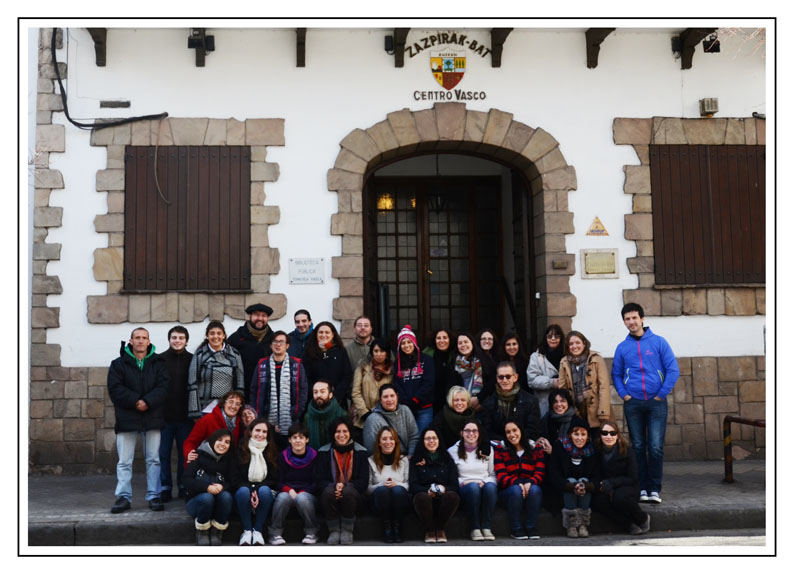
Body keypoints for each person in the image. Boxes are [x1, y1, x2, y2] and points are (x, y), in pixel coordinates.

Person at [612, 302, 679, 504]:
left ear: (642, 319)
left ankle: (654, 488)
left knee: (656, 447)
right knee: (639, 447)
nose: (631, 322)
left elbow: (673, 370)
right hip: (633, 403)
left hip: (656, 403)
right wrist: (624, 394)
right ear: (624, 322)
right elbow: (616, 373)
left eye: (634, 318)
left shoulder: (659, 343)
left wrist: (661, 394)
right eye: (627, 319)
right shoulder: (622, 347)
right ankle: (641, 487)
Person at [107, 327, 170, 514]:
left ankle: (154, 495)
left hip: (152, 416)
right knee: (124, 461)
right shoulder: (118, 364)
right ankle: (123, 497)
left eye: (144, 338)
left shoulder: (159, 363)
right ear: (131, 341)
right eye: (137, 338)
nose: (141, 341)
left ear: (149, 341)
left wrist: (147, 402)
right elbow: (115, 389)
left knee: (153, 460)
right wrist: (136, 402)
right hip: (128, 417)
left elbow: (163, 387)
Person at [249, 330, 308, 449]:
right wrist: (259, 415)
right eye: (275, 342)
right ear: (270, 345)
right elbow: (254, 390)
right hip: (266, 418)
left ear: (287, 345)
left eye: (281, 342)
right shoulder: (262, 365)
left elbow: (303, 390)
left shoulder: (296, 364)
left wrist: (296, 412)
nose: (278, 344)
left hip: (292, 418)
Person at [314, 417, 369, 545]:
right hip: (330, 495)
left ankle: (347, 530)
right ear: (333, 434)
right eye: (338, 431)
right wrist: (335, 486)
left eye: (345, 431)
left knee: (348, 491)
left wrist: (344, 487)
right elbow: (319, 480)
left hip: (354, 498)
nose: (341, 435)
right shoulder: (323, 452)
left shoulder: (361, 452)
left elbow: (363, 482)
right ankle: (333, 530)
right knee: (328, 491)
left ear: (350, 432)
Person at [591, 420, 651, 535]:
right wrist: (602, 485)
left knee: (619, 498)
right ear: (600, 435)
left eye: (612, 433)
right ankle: (627, 524)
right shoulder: (596, 451)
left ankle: (642, 518)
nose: (609, 436)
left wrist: (612, 483)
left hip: (627, 485)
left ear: (617, 435)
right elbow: (595, 474)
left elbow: (633, 477)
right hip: (606, 486)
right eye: (605, 433)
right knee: (598, 501)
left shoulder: (628, 451)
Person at [183, 429, 238, 545]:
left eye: (227, 442)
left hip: (219, 504)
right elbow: (186, 480)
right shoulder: (198, 455)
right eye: (219, 440)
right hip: (197, 502)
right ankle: (202, 531)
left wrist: (222, 486)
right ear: (213, 440)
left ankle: (217, 530)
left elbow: (235, 482)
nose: (223, 444)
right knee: (207, 498)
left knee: (226, 496)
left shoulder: (229, 459)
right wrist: (207, 487)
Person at [157, 325, 194, 502]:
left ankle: (183, 485)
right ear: (169, 339)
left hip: (186, 417)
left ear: (186, 340)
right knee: (162, 454)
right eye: (174, 337)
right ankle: (165, 487)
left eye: (181, 337)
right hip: (164, 417)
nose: (177, 340)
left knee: (184, 454)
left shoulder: (193, 360)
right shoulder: (159, 360)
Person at [269, 422, 320, 545]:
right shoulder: (283, 456)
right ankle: (275, 534)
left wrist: (301, 492)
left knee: (302, 498)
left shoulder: (315, 456)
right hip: (288, 493)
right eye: (294, 438)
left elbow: (317, 483)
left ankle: (312, 532)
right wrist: (289, 490)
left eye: (301, 437)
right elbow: (278, 482)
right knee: (282, 497)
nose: (298, 441)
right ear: (289, 440)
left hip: (307, 495)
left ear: (307, 440)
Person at [494, 420, 546, 540]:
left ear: (521, 431)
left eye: (514, 430)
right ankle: (516, 528)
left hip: (530, 490)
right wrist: (517, 483)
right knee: (516, 490)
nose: (512, 435)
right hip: (509, 493)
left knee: (535, 490)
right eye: (508, 432)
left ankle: (531, 527)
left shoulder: (535, 448)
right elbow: (501, 476)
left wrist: (530, 482)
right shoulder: (501, 449)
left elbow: (540, 472)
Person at [448, 421, 498, 541]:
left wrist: (485, 482)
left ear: (479, 433)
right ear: (462, 433)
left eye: (474, 431)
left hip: (484, 483)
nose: (471, 433)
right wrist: (463, 482)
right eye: (467, 431)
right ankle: (475, 528)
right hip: (465, 486)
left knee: (491, 487)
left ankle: (486, 527)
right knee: (473, 487)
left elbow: (493, 474)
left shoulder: (488, 450)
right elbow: (451, 476)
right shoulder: (452, 451)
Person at [409, 428, 460, 543]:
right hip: (424, 500)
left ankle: (440, 528)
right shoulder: (416, 460)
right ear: (423, 441)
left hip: (443, 499)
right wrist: (427, 491)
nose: (431, 441)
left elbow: (455, 485)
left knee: (453, 496)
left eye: (434, 438)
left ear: (439, 440)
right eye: (427, 438)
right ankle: (430, 530)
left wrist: (443, 488)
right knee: (421, 497)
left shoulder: (447, 459)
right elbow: (412, 485)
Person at [233, 418, 279, 546]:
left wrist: (257, 489)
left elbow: (274, 478)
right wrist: (252, 489)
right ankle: (247, 531)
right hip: (243, 489)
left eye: (264, 432)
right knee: (243, 491)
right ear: (250, 432)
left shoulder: (271, 450)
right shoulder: (241, 449)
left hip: (265, 490)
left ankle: (257, 530)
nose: (260, 434)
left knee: (264, 491)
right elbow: (235, 477)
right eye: (257, 430)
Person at [547, 422, 597, 538]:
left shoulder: (591, 450)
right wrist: (570, 486)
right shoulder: (560, 446)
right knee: (570, 480)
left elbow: (596, 475)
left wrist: (586, 486)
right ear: (570, 435)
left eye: (583, 434)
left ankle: (583, 524)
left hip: (585, 493)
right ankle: (572, 525)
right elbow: (554, 474)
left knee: (584, 480)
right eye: (576, 434)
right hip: (563, 491)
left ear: (587, 436)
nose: (580, 438)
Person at [187, 321, 244, 420]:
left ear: (224, 336)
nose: (215, 336)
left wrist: (239, 406)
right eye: (212, 333)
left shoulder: (234, 354)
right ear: (207, 336)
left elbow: (240, 382)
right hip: (205, 408)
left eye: (219, 333)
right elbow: (192, 382)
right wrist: (194, 411)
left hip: (227, 407)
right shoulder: (200, 355)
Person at [558, 330, 612, 434]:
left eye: (577, 343)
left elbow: (604, 386)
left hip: (595, 410)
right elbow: (562, 388)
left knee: (598, 441)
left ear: (584, 343)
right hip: (576, 410)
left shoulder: (596, 359)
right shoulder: (564, 362)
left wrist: (603, 412)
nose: (574, 346)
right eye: (571, 344)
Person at [479, 362, 542, 444]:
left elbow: (533, 431)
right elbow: (487, 431)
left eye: (508, 376)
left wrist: (514, 440)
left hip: (524, 446)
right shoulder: (488, 403)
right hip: (499, 448)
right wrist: (506, 442)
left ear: (515, 377)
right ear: (497, 379)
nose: (504, 380)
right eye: (501, 377)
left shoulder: (530, 401)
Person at [367, 427, 411, 543]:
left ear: (396, 442)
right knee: (383, 490)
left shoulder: (404, 460)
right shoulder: (371, 461)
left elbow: (409, 484)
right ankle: (387, 528)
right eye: (384, 439)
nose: (388, 442)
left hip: (400, 500)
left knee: (397, 490)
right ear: (379, 443)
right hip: (379, 502)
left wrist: (397, 484)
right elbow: (367, 489)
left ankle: (397, 527)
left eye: (391, 439)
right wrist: (381, 485)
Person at [392, 325, 435, 434]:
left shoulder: (426, 359)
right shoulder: (397, 363)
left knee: (421, 438)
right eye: (403, 343)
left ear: (414, 343)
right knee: (408, 438)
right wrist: (406, 401)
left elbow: (429, 382)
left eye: (409, 342)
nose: (406, 345)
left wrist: (416, 399)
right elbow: (397, 384)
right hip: (405, 408)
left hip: (424, 408)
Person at [227, 303, 275, 400]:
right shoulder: (236, 338)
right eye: (256, 315)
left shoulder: (273, 339)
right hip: (241, 391)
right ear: (250, 316)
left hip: (266, 392)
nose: (260, 318)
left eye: (264, 316)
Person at [183, 391, 246, 463]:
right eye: (231, 402)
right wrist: (189, 453)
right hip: (206, 461)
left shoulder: (239, 423)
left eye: (237, 404)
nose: (233, 406)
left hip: (227, 463)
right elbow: (191, 442)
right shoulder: (208, 419)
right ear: (224, 403)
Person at [303, 321, 354, 409]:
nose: (324, 335)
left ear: (333, 334)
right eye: (321, 332)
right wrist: (316, 393)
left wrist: (336, 393)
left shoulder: (340, 351)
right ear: (316, 334)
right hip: (315, 400)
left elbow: (347, 375)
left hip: (338, 400)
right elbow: (304, 376)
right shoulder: (308, 352)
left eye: (327, 332)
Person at [362, 384, 419, 455]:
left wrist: (410, 456)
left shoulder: (405, 410)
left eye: (392, 396)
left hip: (407, 459)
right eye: (385, 397)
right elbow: (371, 448)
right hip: (384, 462)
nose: (389, 400)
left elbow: (414, 437)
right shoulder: (373, 420)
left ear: (397, 397)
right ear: (380, 400)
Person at [350, 338, 393, 429]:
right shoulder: (363, 367)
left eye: (382, 351)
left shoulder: (392, 370)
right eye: (376, 351)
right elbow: (355, 392)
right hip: (363, 417)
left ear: (387, 353)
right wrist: (365, 412)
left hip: (386, 416)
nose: (378, 354)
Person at [447, 332, 495, 412]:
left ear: (472, 343)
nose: (463, 345)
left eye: (466, 342)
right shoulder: (453, 364)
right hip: (461, 407)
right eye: (460, 343)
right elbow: (451, 387)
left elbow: (491, 383)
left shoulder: (485, 360)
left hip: (483, 405)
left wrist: (479, 399)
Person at [527, 324, 564, 417]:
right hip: (544, 403)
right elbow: (532, 380)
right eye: (550, 336)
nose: (553, 339)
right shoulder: (536, 356)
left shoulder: (567, 356)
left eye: (557, 336)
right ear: (545, 338)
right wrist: (552, 382)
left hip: (563, 403)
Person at [303, 380, 347, 450]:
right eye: (315, 392)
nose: (318, 395)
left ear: (330, 395)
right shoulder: (308, 416)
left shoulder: (342, 415)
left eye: (322, 391)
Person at [422, 328, 454, 415]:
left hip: (452, 398)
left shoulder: (455, 354)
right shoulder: (426, 355)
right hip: (433, 399)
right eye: (438, 338)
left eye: (445, 337)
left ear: (449, 339)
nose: (442, 340)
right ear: (434, 340)